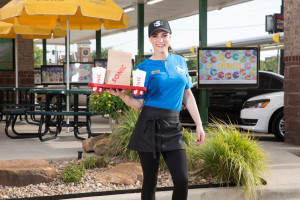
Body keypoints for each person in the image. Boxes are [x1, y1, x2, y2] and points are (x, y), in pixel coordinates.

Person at [107, 19, 205, 200]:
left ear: (170, 36)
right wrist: (122, 96)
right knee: (150, 181)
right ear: (150, 39)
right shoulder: (142, 68)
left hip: (173, 126)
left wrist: (199, 125)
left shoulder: (181, 62)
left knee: (182, 180)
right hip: (148, 126)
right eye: (155, 36)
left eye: (164, 35)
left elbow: (188, 96)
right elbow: (139, 105)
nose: (160, 40)